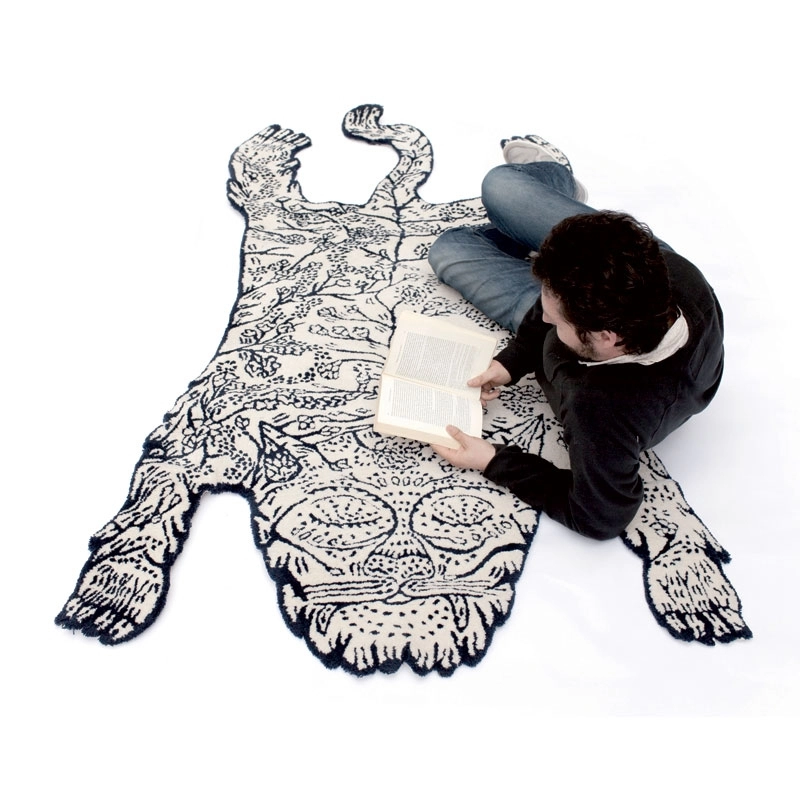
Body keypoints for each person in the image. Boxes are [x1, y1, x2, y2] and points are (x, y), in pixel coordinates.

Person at [427, 136, 724, 541]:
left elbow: (600, 517)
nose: (544, 316)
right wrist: (512, 361)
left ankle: (522, 229)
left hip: (607, 368)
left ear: (607, 337)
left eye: (554, 318)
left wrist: (492, 460)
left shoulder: (602, 411)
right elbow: (552, 313)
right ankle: (552, 190)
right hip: (601, 293)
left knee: (450, 249)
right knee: (500, 184)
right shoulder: (669, 270)